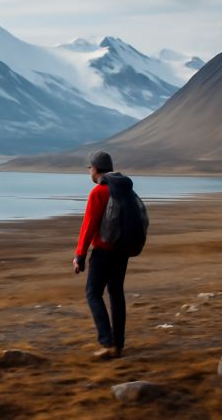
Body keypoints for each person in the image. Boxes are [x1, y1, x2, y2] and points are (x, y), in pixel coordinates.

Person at [72, 150, 129, 359]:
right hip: (122, 251)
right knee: (116, 294)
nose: (89, 172)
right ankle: (119, 345)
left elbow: (88, 226)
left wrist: (79, 255)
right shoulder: (124, 189)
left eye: (89, 168)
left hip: (103, 251)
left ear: (94, 169)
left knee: (93, 293)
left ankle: (107, 343)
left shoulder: (99, 192)